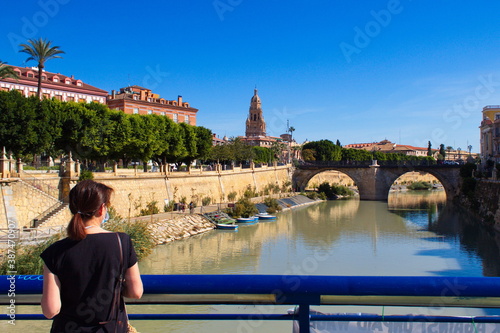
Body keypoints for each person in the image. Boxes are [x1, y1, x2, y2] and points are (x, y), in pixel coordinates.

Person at [40, 180, 143, 332]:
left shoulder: (55, 251)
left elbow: (50, 310)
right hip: (109, 328)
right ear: (102, 209)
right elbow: (135, 292)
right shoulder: (121, 241)